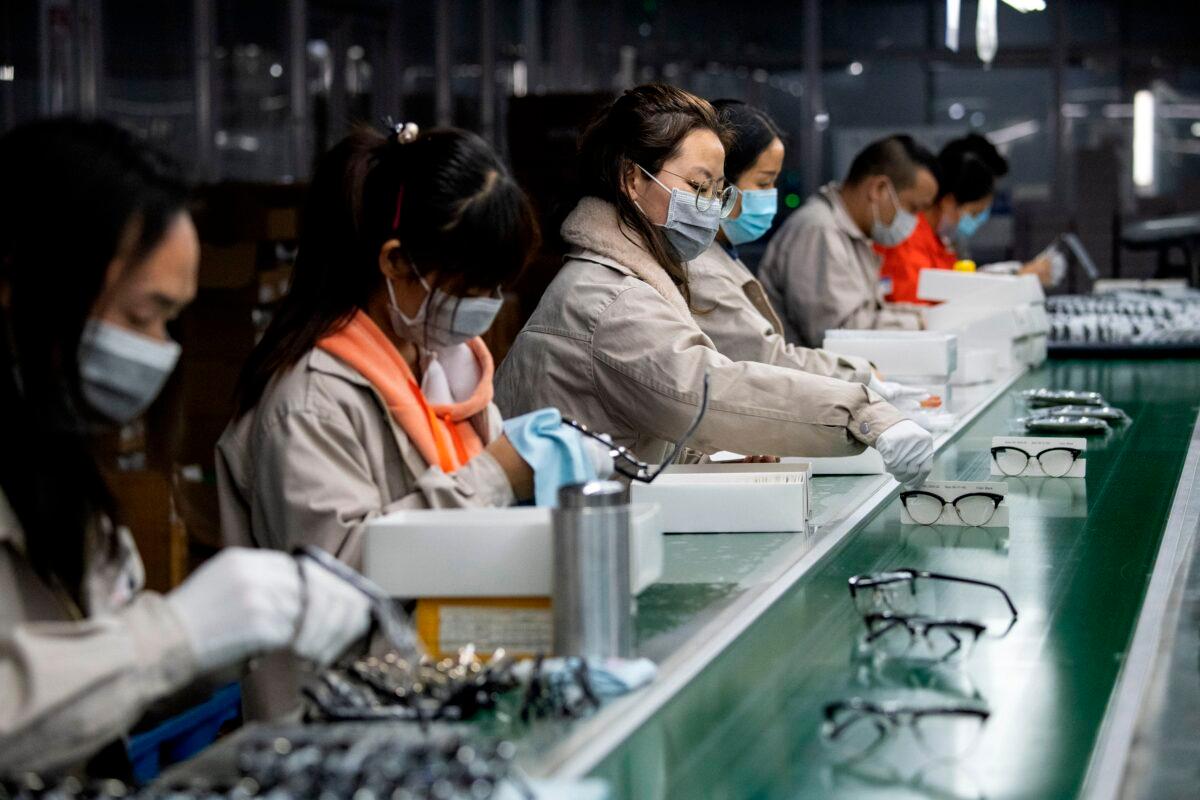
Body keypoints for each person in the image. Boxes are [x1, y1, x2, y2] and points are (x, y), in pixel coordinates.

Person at [0, 119, 374, 774]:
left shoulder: (53, 462)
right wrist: (176, 635)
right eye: (139, 315)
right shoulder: (308, 396)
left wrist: (223, 642)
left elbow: (90, 686)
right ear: (19, 283)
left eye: (170, 320)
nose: (160, 350)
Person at [217, 124, 609, 717]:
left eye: (496, 286)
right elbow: (339, 577)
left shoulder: (438, 363)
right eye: (470, 287)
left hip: (435, 687)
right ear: (397, 262)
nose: (486, 304)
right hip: (344, 719)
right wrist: (497, 475)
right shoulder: (310, 402)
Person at [495, 84, 934, 486]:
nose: (709, 208)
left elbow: (638, 428)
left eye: (717, 192)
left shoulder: (639, 276)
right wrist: (862, 412)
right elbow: (704, 390)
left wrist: (709, 461)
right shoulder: (609, 298)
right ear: (633, 179)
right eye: (698, 186)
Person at [689, 100, 919, 404]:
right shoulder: (816, 230)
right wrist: (858, 374)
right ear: (720, 184)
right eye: (763, 182)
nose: (771, 195)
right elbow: (769, 354)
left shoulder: (723, 252)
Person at [758, 135, 939, 348]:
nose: (915, 220)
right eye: (913, 208)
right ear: (879, 189)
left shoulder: (853, 235)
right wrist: (921, 323)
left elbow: (868, 312)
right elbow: (838, 333)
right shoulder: (819, 230)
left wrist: (926, 316)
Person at [876, 133, 1056, 304]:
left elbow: (956, 287)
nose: (976, 221)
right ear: (949, 202)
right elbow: (921, 304)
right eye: (974, 213)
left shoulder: (939, 242)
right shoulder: (907, 239)